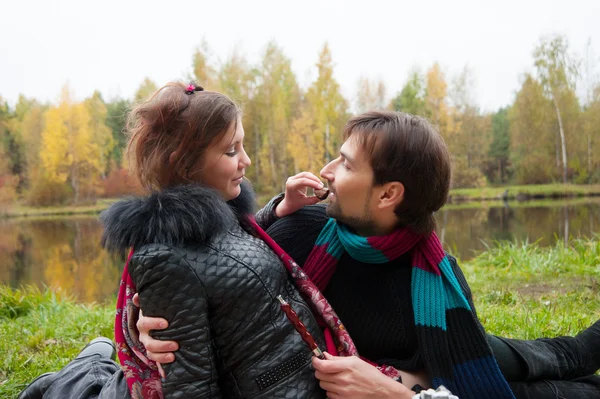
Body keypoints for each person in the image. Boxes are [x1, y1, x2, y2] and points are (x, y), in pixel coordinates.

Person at [138, 111, 600, 399]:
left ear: (388, 195)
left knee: (550, 358)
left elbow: (450, 376)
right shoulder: (305, 228)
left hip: (435, 357)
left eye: (346, 163)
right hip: (384, 371)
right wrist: (148, 324)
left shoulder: (434, 282)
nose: (327, 171)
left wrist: (399, 388)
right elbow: (218, 267)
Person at [19, 82, 339, 399]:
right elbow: (188, 385)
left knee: (101, 369)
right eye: (231, 151)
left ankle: (94, 357)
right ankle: (75, 372)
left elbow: (238, 250)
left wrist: (281, 209)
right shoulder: (166, 255)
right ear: (185, 163)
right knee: (87, 385)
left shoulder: (225, 218)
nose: (246, 160)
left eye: (242, 146)